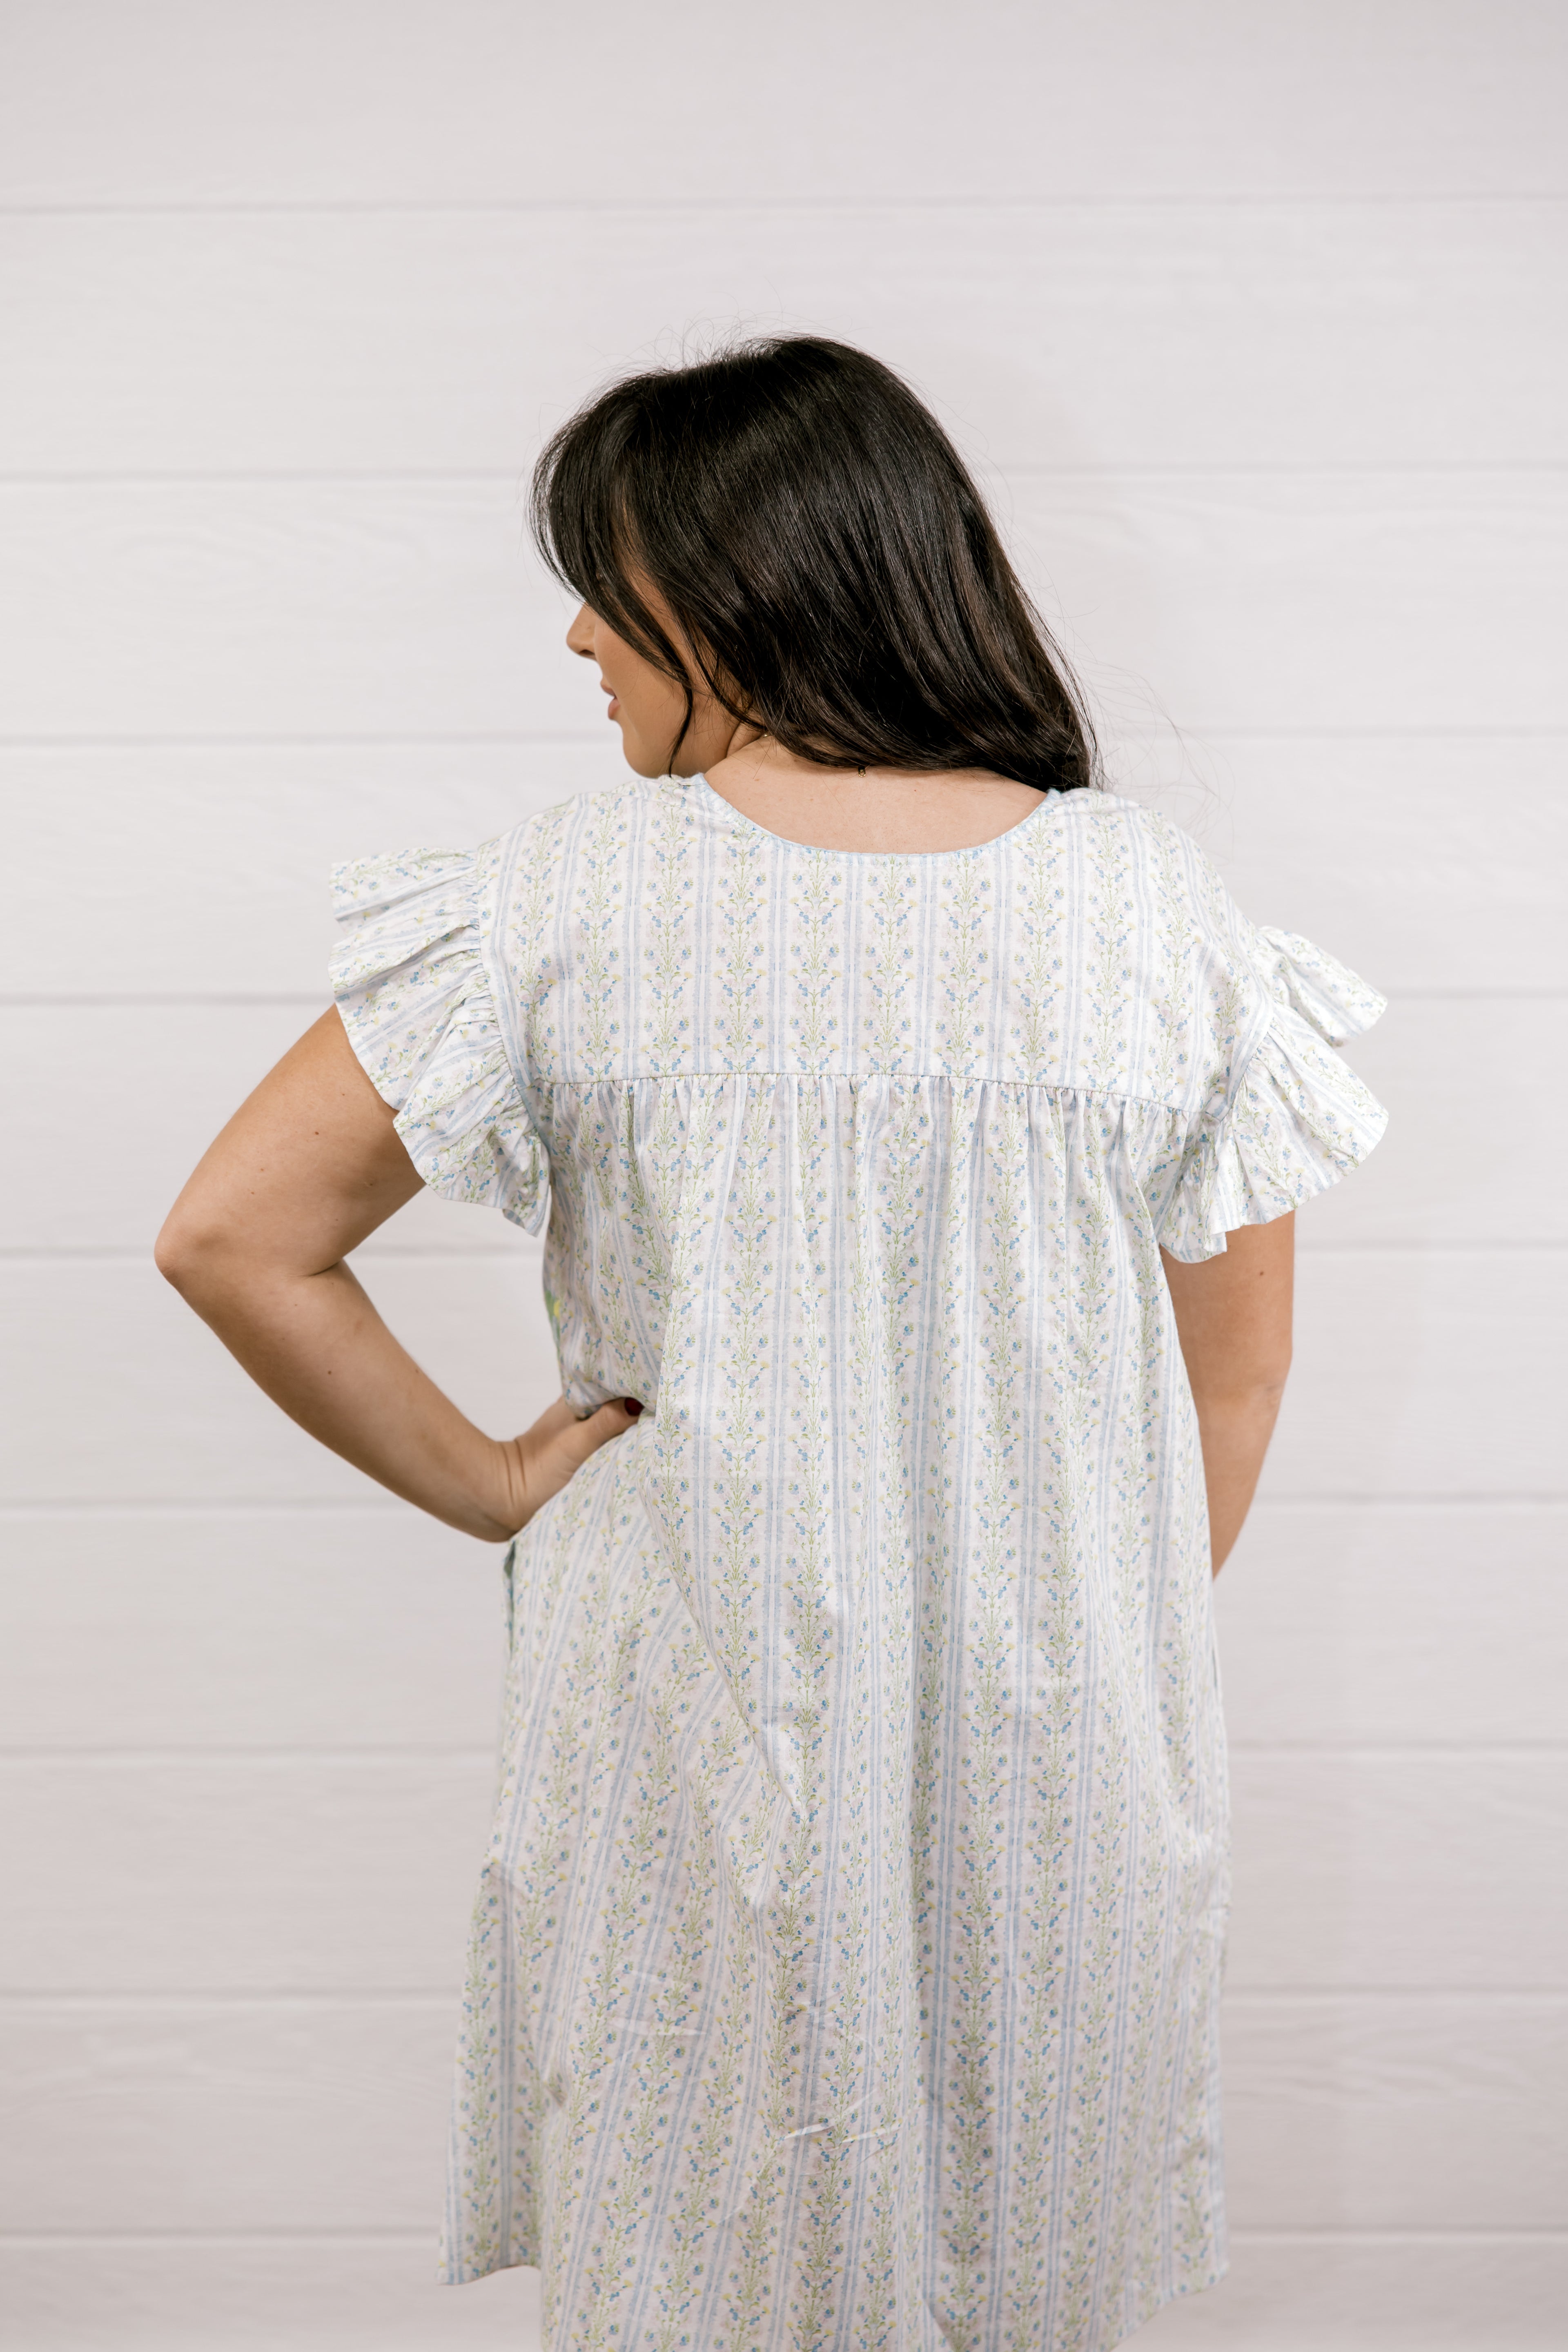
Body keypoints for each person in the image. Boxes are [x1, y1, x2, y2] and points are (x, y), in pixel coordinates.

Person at [157, 337, 1386, 2352]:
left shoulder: (559, 899)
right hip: (1059, 1742)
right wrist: (1094, 1630)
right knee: (1023, 2251)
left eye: (605, 579)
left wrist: (496, 1484)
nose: (575, 634)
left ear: (737, 585)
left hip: (693, 1702)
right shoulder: (1154, 912)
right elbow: (1231, 1377)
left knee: (696, 2250)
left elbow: (233, 1238)